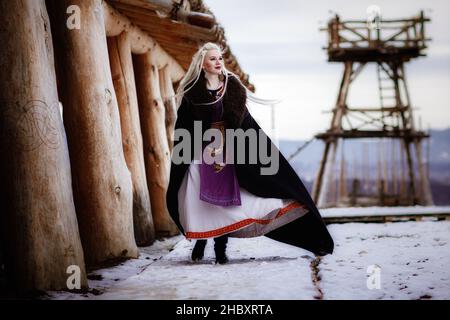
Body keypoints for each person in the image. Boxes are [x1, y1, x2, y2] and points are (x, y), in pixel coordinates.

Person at [166, 42, 334, 264]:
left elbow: (245, 124)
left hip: (227, 151)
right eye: (213, 59)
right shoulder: (192, 93)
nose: (218, 62)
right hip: (201, 154)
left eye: (220, 58)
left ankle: (220, 249)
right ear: (202, 65)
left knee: (225, 203)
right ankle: (200, 244)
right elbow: (184, 127)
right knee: (200, 202)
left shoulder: (232, 89)